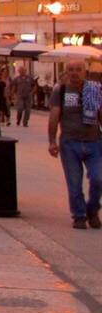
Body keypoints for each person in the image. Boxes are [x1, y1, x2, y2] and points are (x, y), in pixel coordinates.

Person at [49, 68, 102, 229]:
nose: (74, 73)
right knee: (74, 182)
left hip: (94, 142)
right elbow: (54, 116)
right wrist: (52, 141)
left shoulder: (94, 89)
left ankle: (92, 209)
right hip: (70, 143)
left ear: (84, 72)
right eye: (71, 70)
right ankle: (79, 216)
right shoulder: (61, 91)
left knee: (98, 178)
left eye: (78, 70)